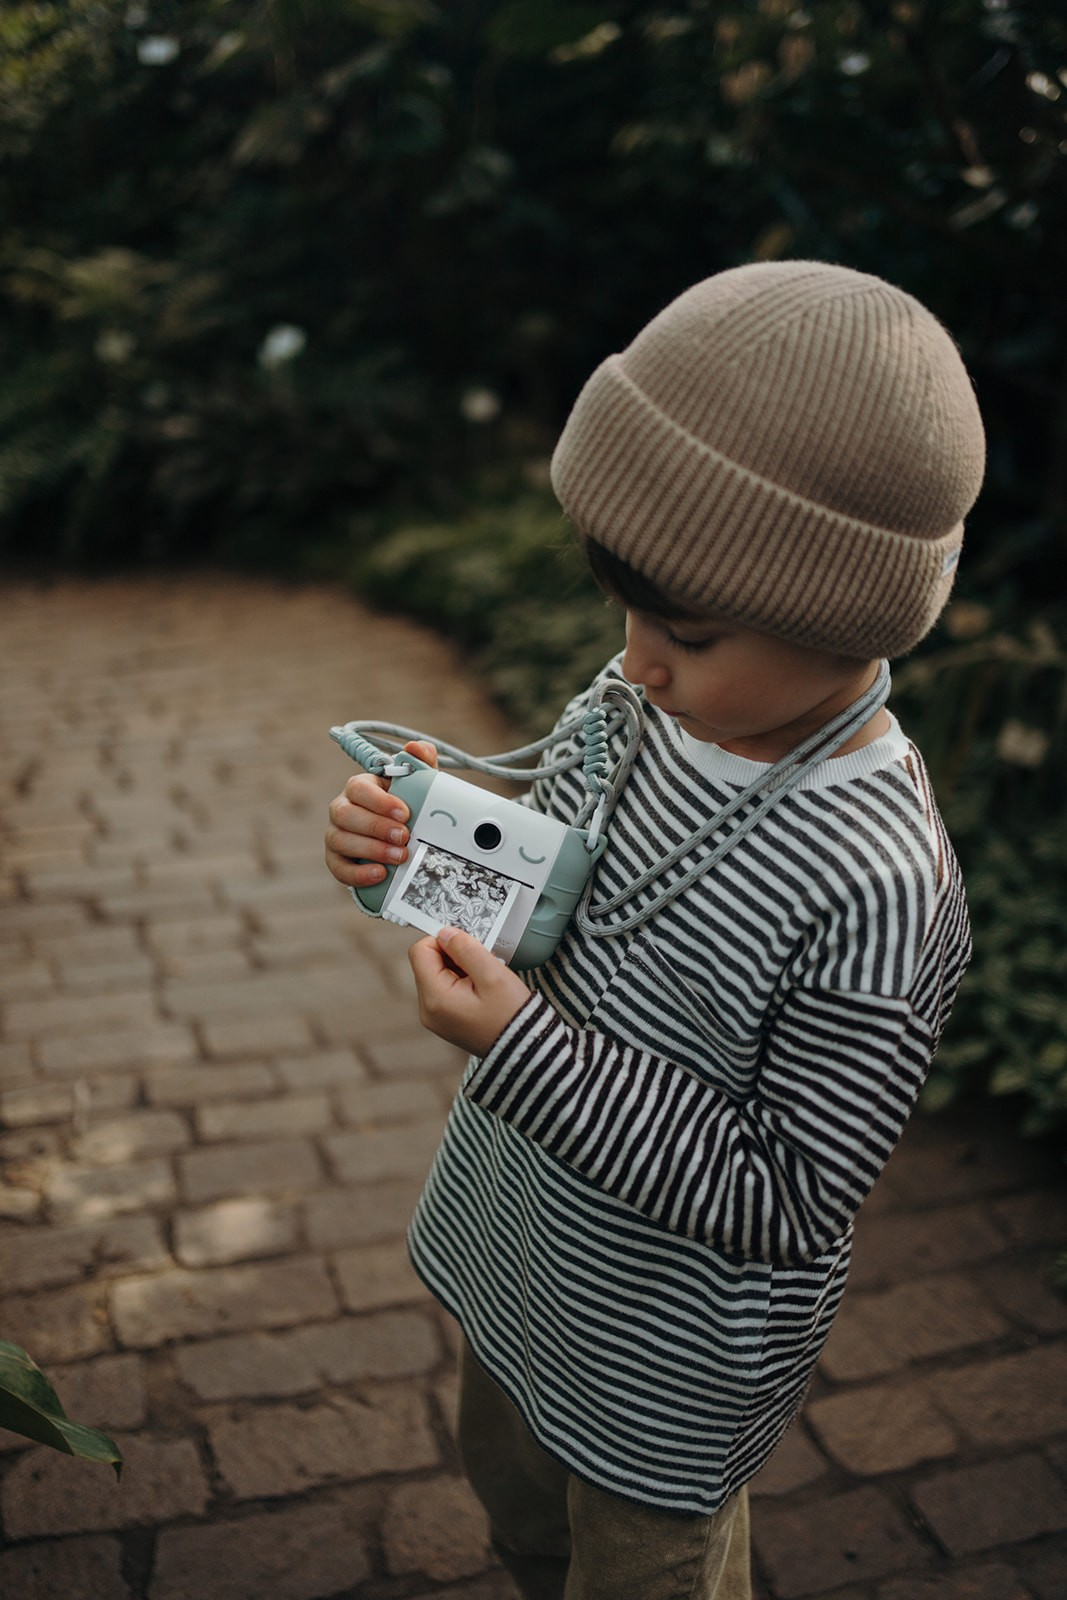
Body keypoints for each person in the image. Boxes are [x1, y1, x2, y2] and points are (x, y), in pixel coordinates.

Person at [324, 261, 986, 1600]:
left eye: (681, 629)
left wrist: (522, 1051)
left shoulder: (876, 885)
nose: (633, 658)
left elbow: (789, 1196)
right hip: (518, 1259)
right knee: (520, 1531)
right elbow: (547, 891)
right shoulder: (649, 707)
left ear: (844, 612)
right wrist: (403, 857)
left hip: (659, 1369)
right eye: (625, 611)